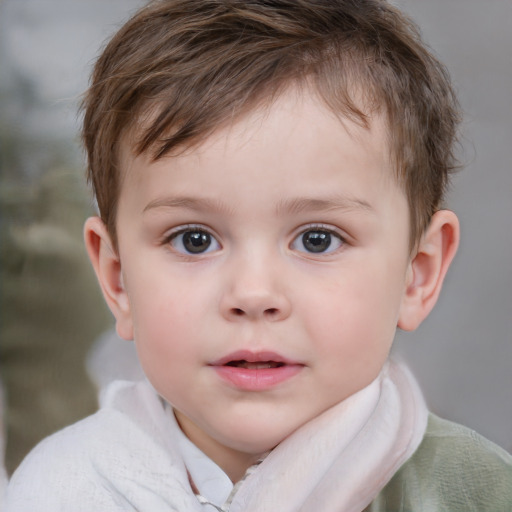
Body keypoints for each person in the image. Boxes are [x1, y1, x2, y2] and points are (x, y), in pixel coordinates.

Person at [5, 0, 512, 510]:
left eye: (318, 239)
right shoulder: (59, 492)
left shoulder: (476, 491)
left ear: (416, 275)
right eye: (194, 239)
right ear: (118, 280)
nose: (252, 294)